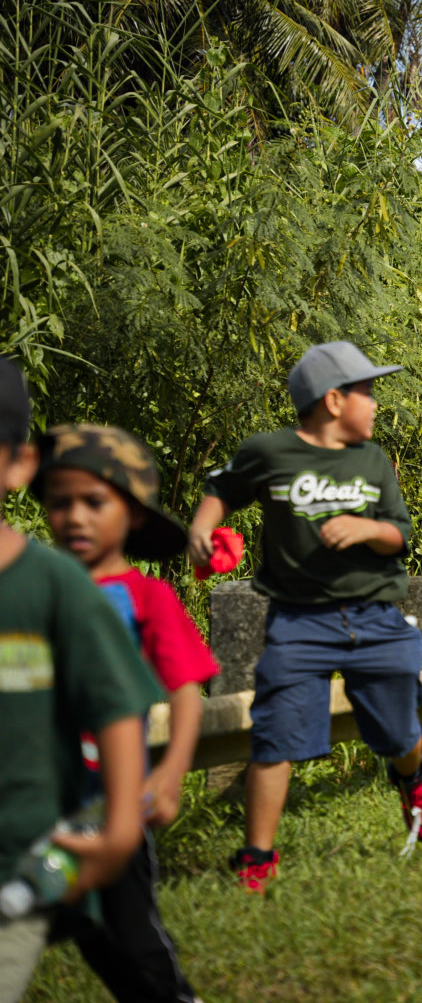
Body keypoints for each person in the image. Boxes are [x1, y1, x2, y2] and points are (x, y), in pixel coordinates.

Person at [189, 342, 422, 887]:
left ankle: (412, 779)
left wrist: (366, 528)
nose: (375, 403)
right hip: (299, 622)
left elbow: (399, 534)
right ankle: (257, 859)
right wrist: (201, 529)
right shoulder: (270, 452)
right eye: (367, 392)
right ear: (333, 400)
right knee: (274, 735)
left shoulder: (371, 461)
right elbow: (223, 489)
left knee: (398, 730)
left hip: (376, 617)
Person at [37, 425, 219, 1002]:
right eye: (61, 502)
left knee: (131, 941)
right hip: (34, 808)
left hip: (113, 805)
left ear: (134, 514)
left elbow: (186, 689)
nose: (75, 517)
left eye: (94, 502)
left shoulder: (146, 597)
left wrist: (170, 774)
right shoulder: (33, 591)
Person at [0, 358, 162, 1003]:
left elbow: (117, 706)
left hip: (19, 857)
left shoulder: (53, 586)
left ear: (19, 466)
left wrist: (121, 829)